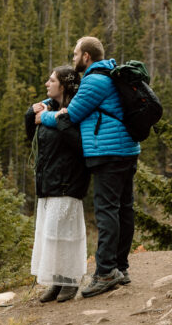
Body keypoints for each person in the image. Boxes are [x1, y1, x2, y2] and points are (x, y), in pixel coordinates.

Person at [40, 36, 139, 298]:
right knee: (124, 209)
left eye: (75, 55)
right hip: (127, 149)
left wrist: (45, 116)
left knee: (107, 211)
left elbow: (71, 115)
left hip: (108, 152)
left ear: (86, 56)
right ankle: (120, 267)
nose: (73, 60)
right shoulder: (112, 75)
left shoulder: (94, 80)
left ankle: (105, 272)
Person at [26, 65, 89, 303]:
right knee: (50, 234)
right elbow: (31, 136)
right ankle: (56, 280)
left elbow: (79, 144)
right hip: (50, 181)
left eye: (51, 80)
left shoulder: (74, 111)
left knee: (65, 233)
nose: (46, 83)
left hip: (68, 181)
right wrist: (31, 114)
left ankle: (70, 281)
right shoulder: (50, 108)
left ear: (62, 86)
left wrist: (57, 119)